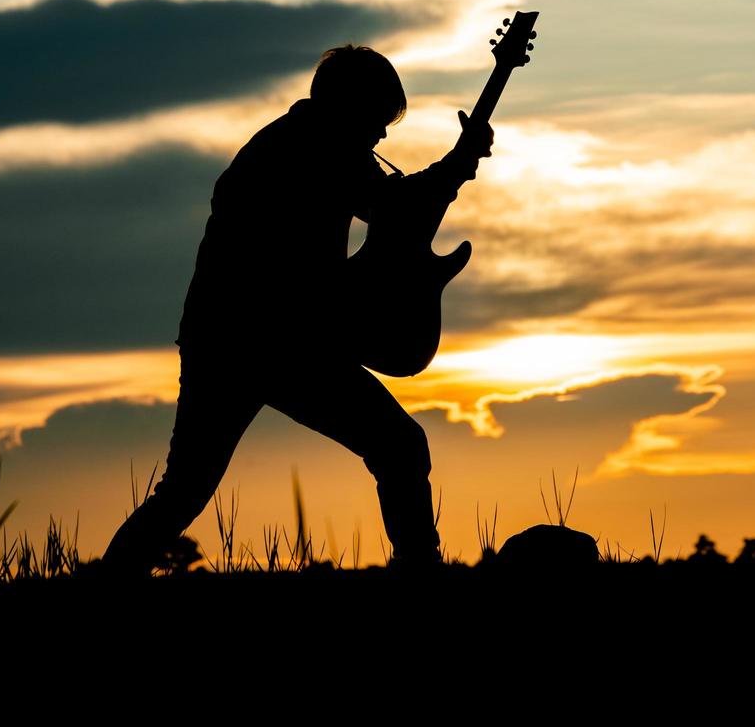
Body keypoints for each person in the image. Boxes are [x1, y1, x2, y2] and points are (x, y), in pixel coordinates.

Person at [100, 44, 493, 577]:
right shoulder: (320, 148)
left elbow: (389, 209)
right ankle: (421, 575)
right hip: (274, 344)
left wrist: (455, 166)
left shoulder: (292, 142)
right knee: (398, 446)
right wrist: (459, 161)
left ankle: (104, 584)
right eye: (378, 120)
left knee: (183, 492)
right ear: (351, 106)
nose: (380, 136)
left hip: (233, 340)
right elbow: (393, 209)